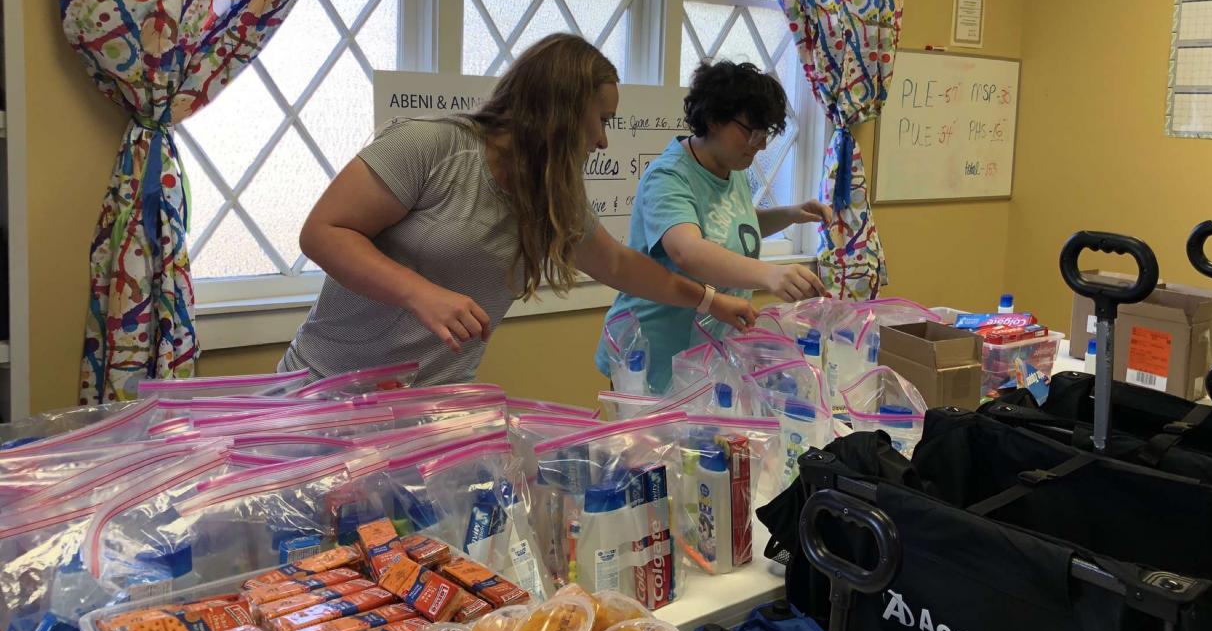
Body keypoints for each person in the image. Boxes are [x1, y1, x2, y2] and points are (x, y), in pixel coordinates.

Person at [281, 34, 756, 385]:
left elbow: (617, 264)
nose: (602, 140)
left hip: (430, 407)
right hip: (326, 388)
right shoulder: (432, 146)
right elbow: (323, 233)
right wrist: (419, 293)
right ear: (561, 110)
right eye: (601, 120)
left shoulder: (551, 195)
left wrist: (710, 301)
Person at [595, 60, 831, 393]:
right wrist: (770, 274)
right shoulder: (668, 176)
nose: (760, 144)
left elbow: (732, 228)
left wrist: (790, 214)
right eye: (751, 132)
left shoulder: (732, 170)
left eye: (765, 134)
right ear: (713, 119)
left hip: (707, 356)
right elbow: (688, 250)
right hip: (651, 357)